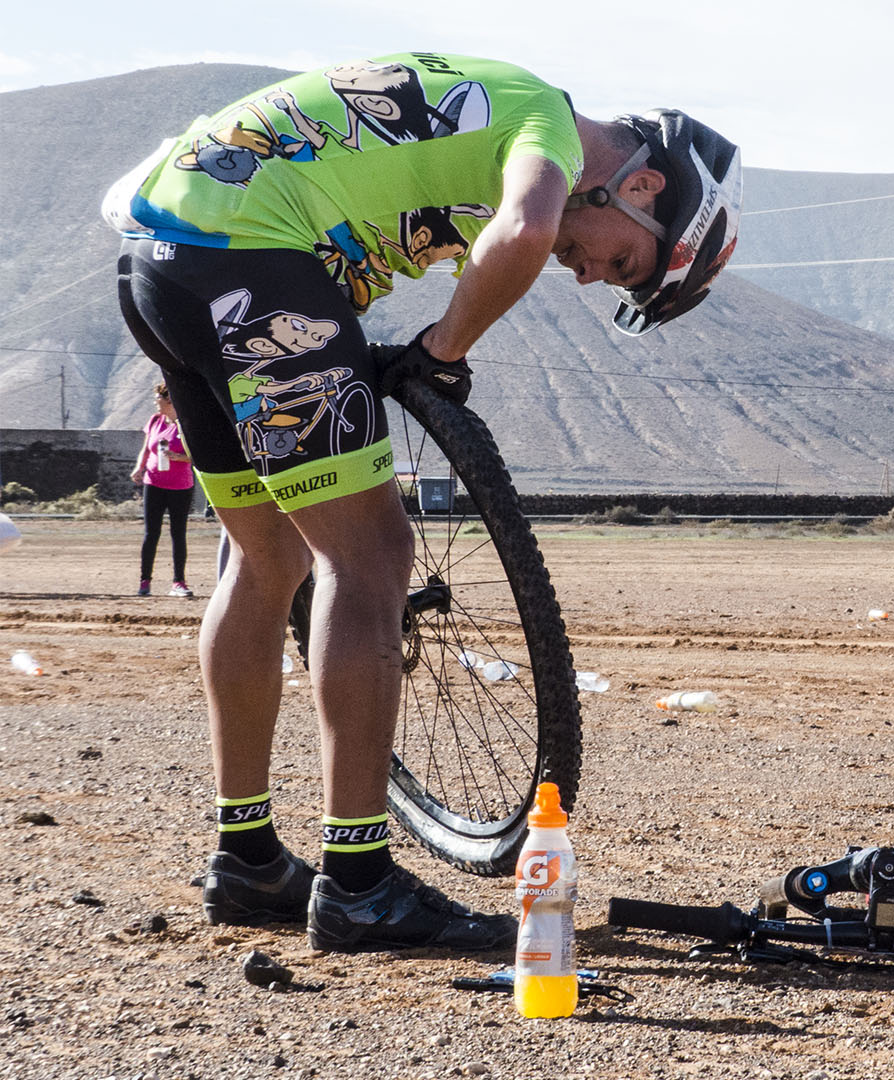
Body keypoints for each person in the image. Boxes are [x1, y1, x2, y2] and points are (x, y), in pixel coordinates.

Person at [103, 53, 741, 953]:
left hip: (161, 262)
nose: (594, 277)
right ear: (638, 182)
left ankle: (246, 859)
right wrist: (444, 351)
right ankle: (359, 883)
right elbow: (521, 234)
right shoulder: (548, 127)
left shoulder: (504, 113)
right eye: (625, 259)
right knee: (368, 558)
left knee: (269, 557)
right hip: (251, 265)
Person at [130, 382, 196, 598]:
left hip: (180, 486)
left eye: (157, 398)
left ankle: (178, 582)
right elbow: (146, 449)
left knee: (178, 534)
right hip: (153, 483)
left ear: (169, 400)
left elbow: (197, 456)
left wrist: (181, 458)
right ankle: (145, 581)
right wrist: (139, 468)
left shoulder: (186, 424)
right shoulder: (154, 421)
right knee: (151, 533)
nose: (154, 402)